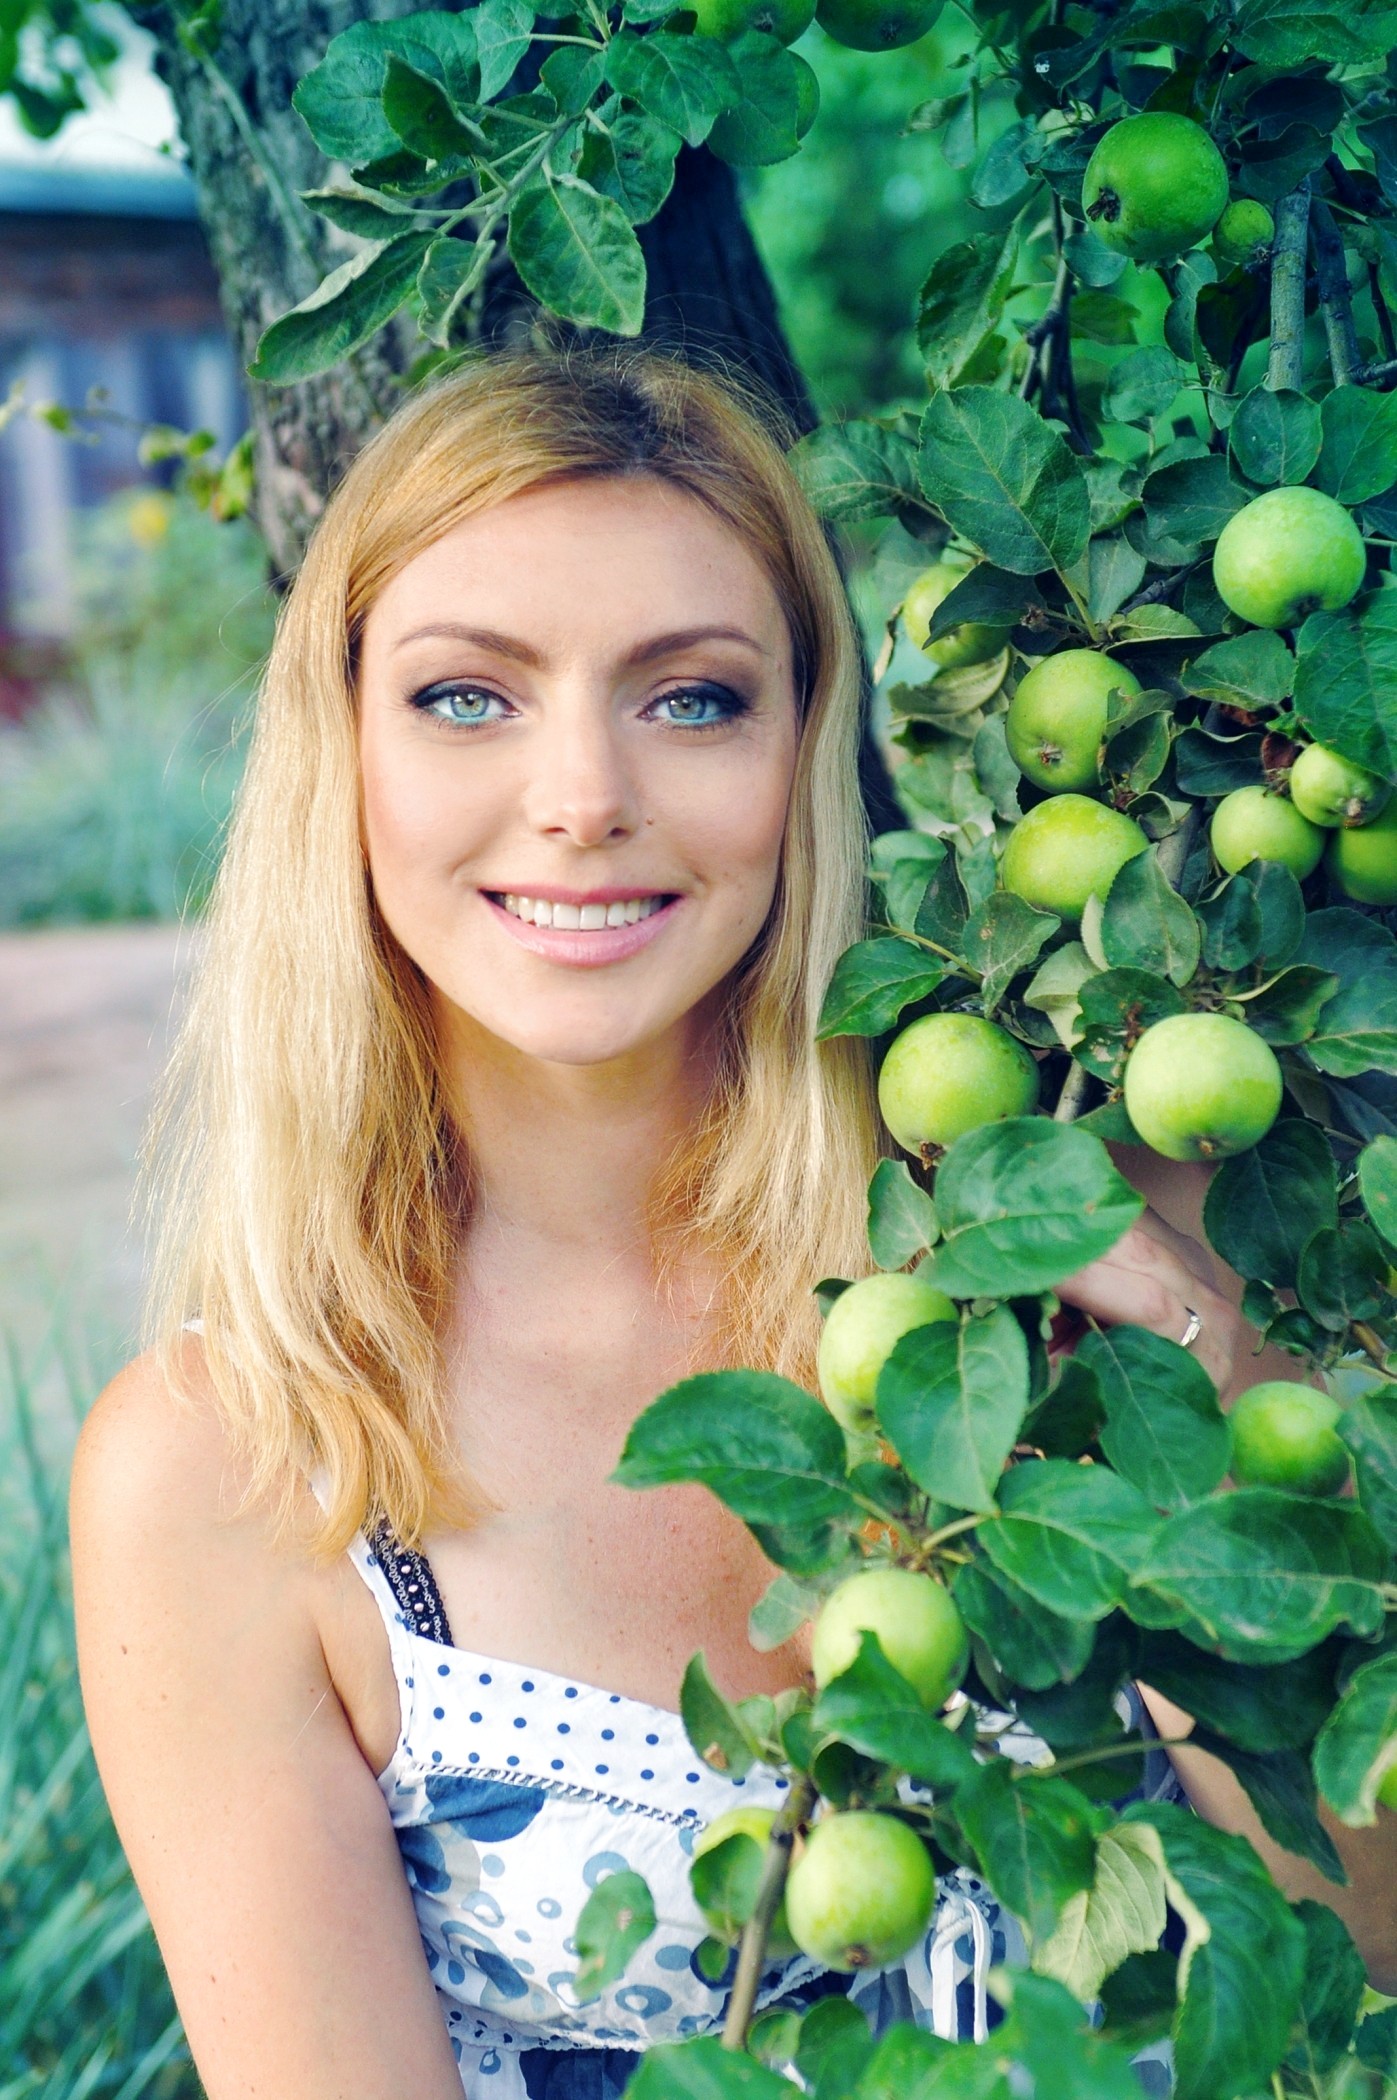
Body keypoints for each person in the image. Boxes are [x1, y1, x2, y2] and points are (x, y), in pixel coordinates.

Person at [69, 343, 1397, 2100]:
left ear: (802, 747)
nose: (582, 798)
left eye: (691, 699)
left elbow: (1355, 1966)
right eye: (465, 696)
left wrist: (1196, 1443)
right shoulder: (242, 1463)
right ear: (345, 750)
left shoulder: (1073, 1236)